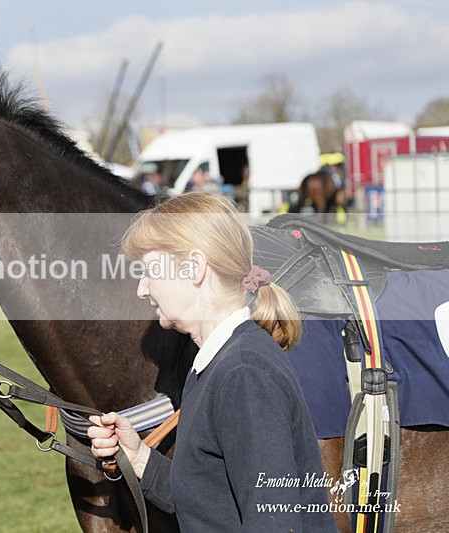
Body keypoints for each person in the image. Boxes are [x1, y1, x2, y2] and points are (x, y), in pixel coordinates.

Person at [88, 192, 337, 531]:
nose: (142, 290)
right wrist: (138, 458)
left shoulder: (244, 372)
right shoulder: (217, 362)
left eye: (149, 272)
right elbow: (210, 499)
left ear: (194, 267)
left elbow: (274, 522)